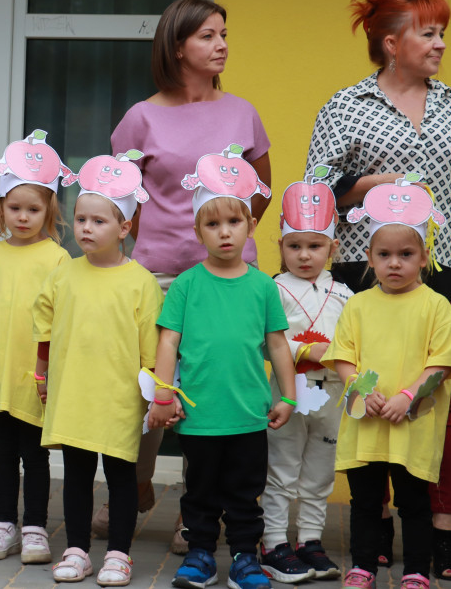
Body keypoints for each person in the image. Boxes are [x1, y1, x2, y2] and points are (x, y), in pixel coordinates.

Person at [305, 0, 451, 581]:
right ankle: (371, 532)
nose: (440, 43)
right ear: (391, 43)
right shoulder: (345, 105)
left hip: (435, 268)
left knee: (433, 398)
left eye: (441, 33)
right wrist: (377, 181)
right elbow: (316, 188)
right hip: (361, 268)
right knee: (366, 391)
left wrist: (433, 252)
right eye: (428, 33)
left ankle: (441, 529)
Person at [109, 0, 273, 551]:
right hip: (154, 275)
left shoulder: (242, 112)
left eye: (224, 33)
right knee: (146, 388)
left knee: (213, 390)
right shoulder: (141, 117)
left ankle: (194, 513)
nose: (221, 44)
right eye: (207, 35)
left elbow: (261, 191)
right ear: (177, 46)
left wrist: (229, 245)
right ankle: (133, 485)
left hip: (226, 279)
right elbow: (121, 199)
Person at [148, 148, 295, 589]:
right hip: (199, 417)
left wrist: (287, 395)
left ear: (251, 226)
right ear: (198, 231)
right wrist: (163, 393)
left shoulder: (262, 286)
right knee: (200, 494)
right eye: (212, 224)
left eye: (234, 222)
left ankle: (246, 559)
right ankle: (199, 556)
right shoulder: (187, 285)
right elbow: (168, 341)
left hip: (248, 416)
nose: (224, 233)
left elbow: (277, 345)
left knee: (245, 495)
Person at [320, 175, 451, 589]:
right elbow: (344, 359)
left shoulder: (436, 306)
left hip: (412, 424)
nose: (394, 263)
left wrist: (408, 396)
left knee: (413, 502)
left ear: (424, 257)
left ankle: (417, 571)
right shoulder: (358, 305)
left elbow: (442, 364)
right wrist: (362, 390)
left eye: (406, 254)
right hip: (366, 423)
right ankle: (364, 565)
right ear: (369, 257)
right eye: (384, 254)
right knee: (366, 501)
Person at [34, 151, 163, 587]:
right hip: (73, 394)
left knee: (121, 474)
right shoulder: (63, 275)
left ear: (125, 228)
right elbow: (45, 330)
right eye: (81, 219)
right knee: (76, 474)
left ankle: (119, 555)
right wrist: (41, 375)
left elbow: (152, 348)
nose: (86, 228)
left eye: (99, 221)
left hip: (119, 399)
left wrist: (154, 394)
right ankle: (76, 549)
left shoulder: (140, 281)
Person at [0, 130, 71, 564]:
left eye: (33, 209)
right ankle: (3, 523)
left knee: (36, 456)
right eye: (15, 208)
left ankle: (35, 528)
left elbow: (63, 322)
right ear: (1, 209)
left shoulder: (57, 258)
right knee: (3, 453)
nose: (23, 217)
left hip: (36, 379)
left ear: (49, 211)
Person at [258, 171, 352, 582]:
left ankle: (310, 539)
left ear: (333, 247)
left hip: (331, 396)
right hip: (287, 393)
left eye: (315, 246)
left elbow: (355, 342)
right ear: (281, 246)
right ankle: (274, 540)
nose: (304, 255)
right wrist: (303, 351)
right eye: (294, 246)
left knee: (320, 469)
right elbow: (264, 341)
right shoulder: (272, 289)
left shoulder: (347, 295)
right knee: (281, 468)